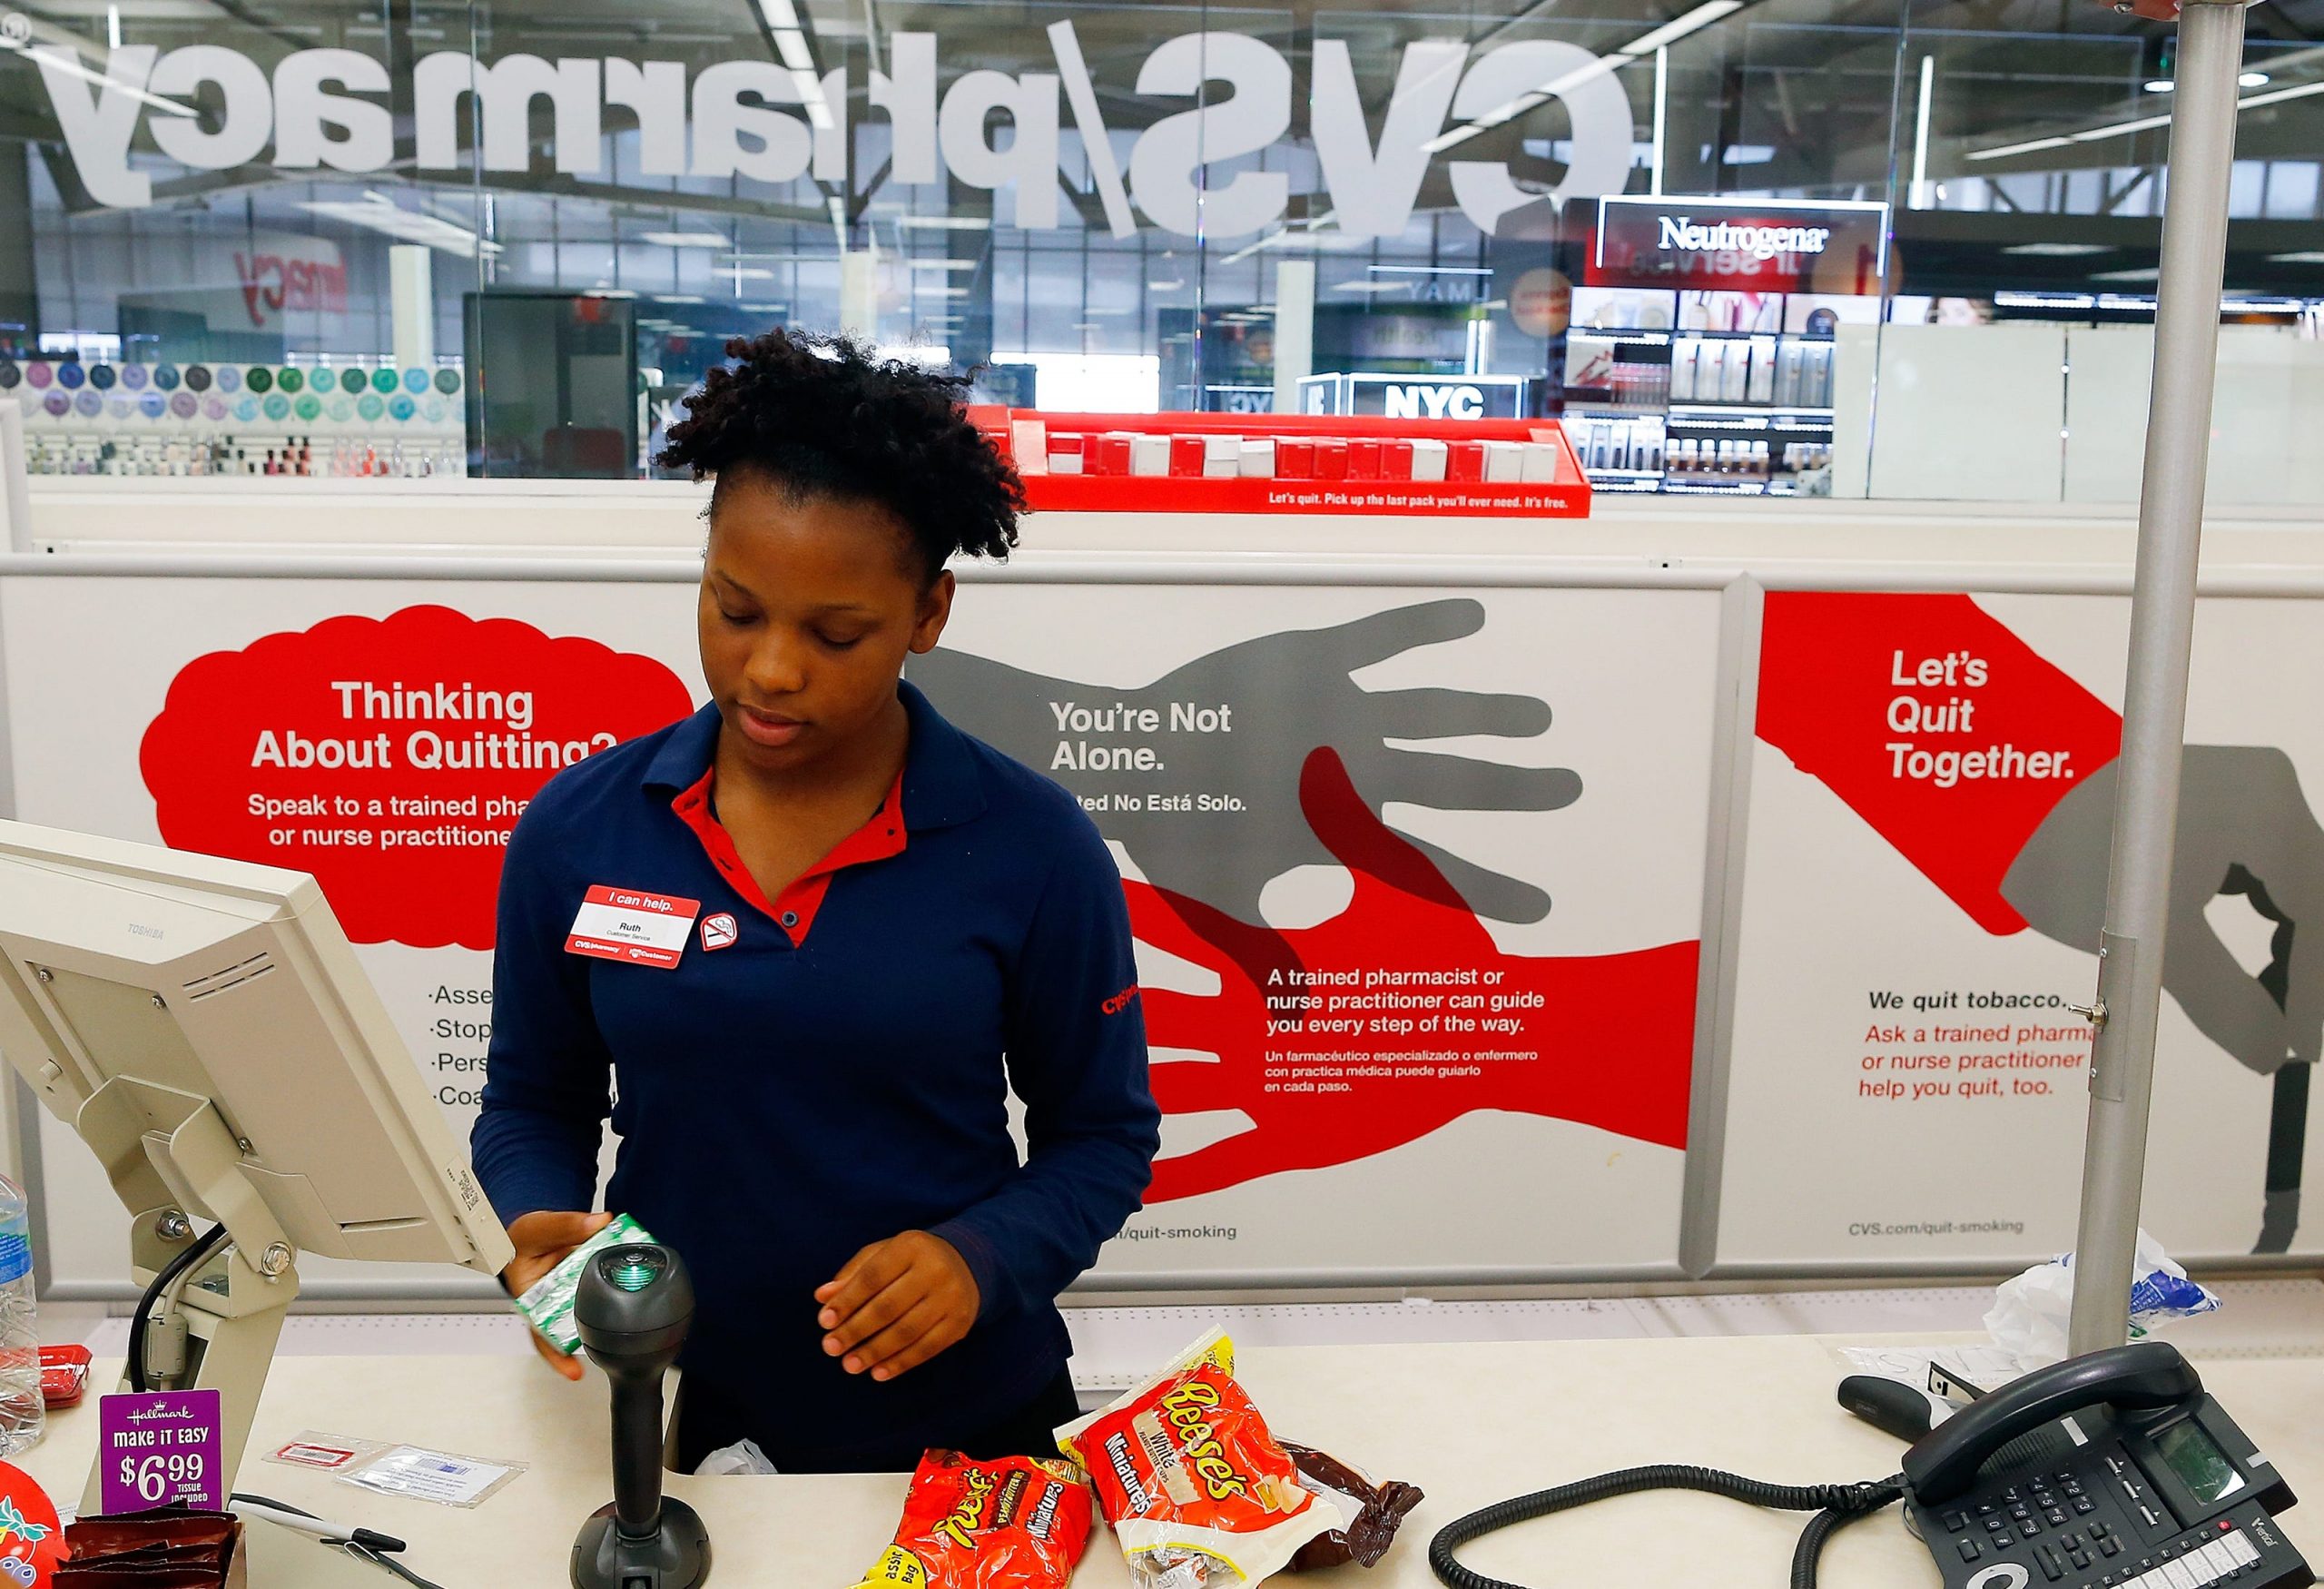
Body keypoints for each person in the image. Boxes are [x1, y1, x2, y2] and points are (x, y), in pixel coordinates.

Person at [470, 329, 1160, 1473]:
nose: (772, 670)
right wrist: (539, 1224)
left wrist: (981, 1256)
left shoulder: (1031, 846)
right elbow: (530, 1101)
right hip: (667, 1404)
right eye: (735, 612)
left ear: (927, 615)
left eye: (836, 634)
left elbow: (1101, 1137)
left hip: (962, 1428)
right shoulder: (580, 829)